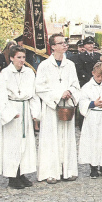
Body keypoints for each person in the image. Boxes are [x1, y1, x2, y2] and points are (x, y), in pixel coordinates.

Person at [0, 46, 41, 189]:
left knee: (24, 144)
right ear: (11, 58)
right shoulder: (5, 73)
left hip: (25, 109)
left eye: (23, 57)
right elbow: (1, 95)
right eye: (19, 57)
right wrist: (9, 113)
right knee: (12, 146)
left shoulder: (29, 72)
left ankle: (22, 173)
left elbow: (34, 94)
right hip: (12, 110)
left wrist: (35, 113)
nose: (22, 60)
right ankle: (12, 176)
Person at [35, 33, 80, 184]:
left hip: (66, 107)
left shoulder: (70, 65)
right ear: (53, 47)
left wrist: (70, 92)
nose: (65, 45)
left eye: (65, 42)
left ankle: (68, 171)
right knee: (50, 140)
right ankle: (50, 172)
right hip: (51, 108)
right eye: (61, 43)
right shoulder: (44, 66)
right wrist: (58, 95)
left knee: (67, 138)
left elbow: (75, 84)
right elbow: (40, 88)